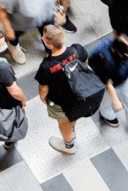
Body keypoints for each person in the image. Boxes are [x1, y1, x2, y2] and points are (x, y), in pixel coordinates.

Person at [35, 26, 89, 154]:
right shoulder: (77, 49)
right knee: (73, 114)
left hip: (60, 101)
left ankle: (69, 146)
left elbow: (43, 88)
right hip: (78, 94)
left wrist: (43, 98)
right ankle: (73, 129)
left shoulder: (46, 66)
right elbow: (85, 64)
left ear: (46, 43)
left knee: (63, 121)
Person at [0, 0, 61, 65]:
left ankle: (50, 51)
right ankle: (13, 46)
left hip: (47, 15)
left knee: (50, 36)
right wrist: (8, 29)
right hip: (22, 23)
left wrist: (57, 5)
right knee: (15, 36)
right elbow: (1, 9)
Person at [88, 35, 128, 135]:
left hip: (125, 76)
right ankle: (106, 114)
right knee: (106, 103)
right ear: (118, 52)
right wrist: (116, 100)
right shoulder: (105, 60)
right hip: (106, 82)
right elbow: (108, 84)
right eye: (127, 55)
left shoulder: (116, 44)